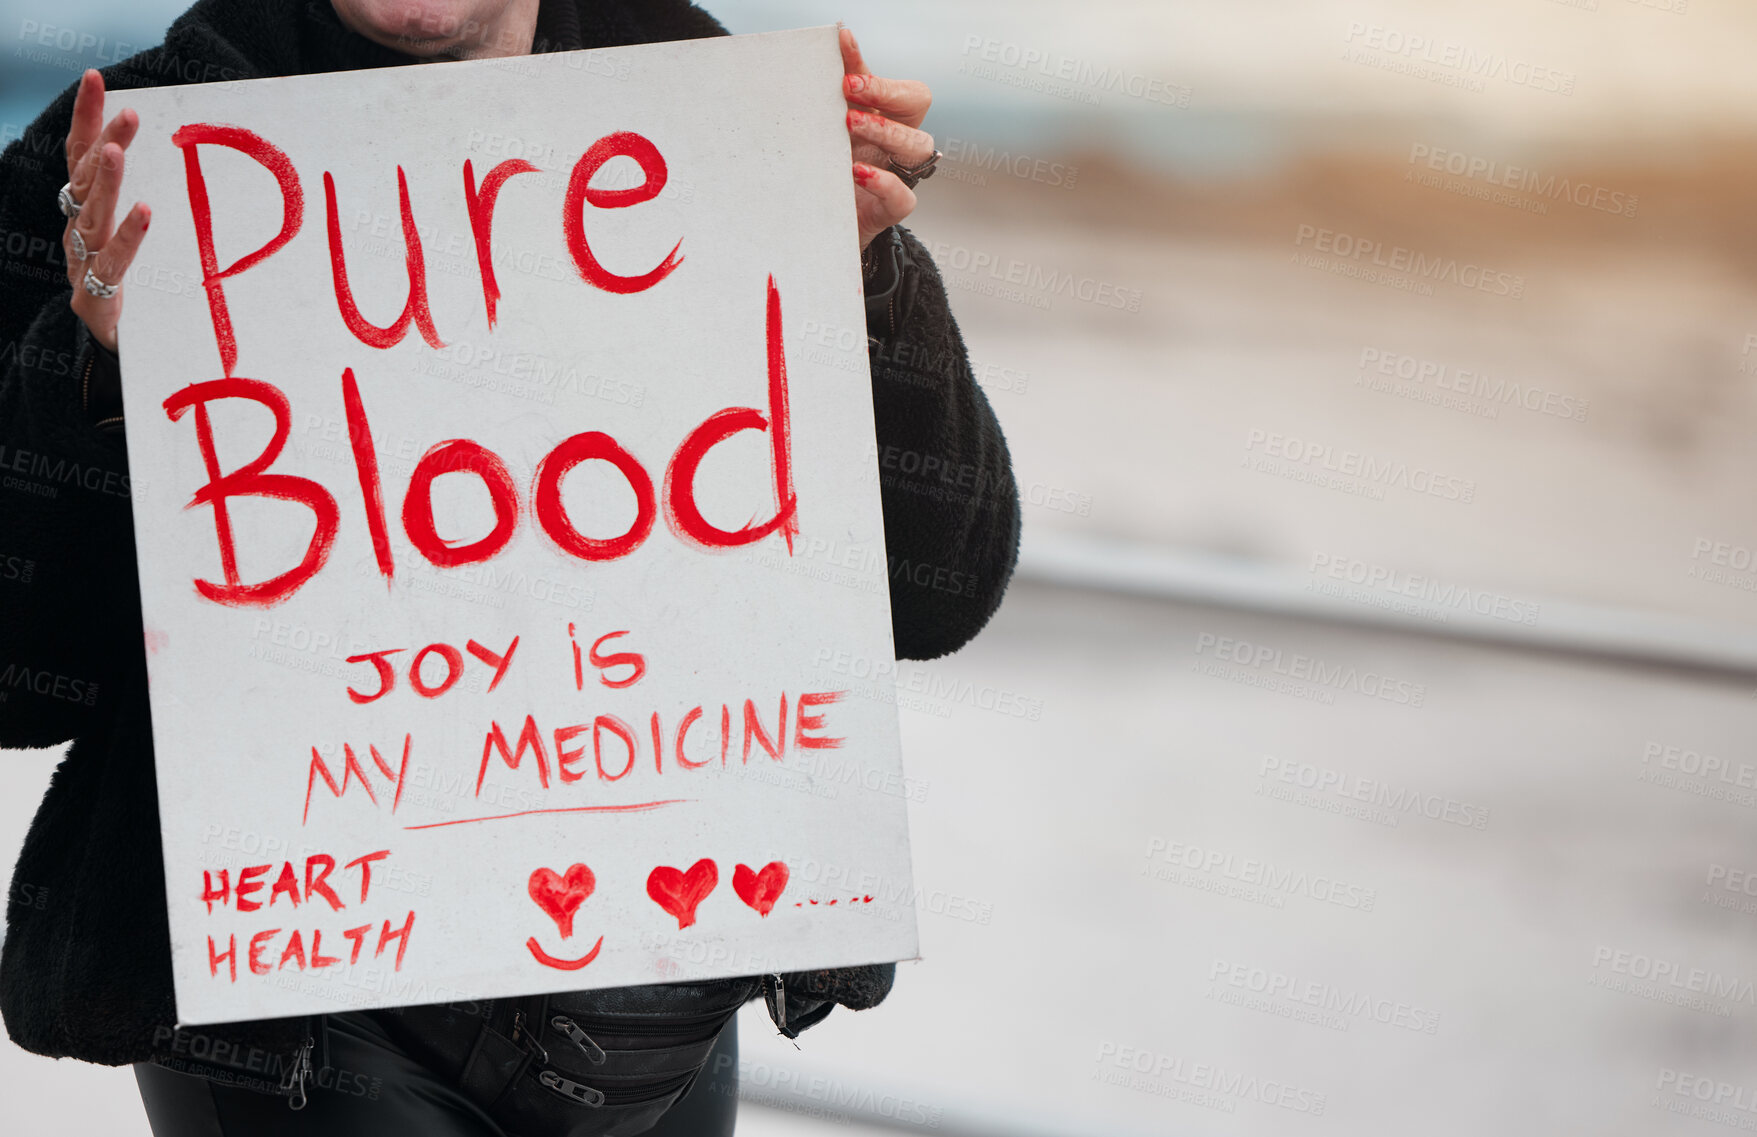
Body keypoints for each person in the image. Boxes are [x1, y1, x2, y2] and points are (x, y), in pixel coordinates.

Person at [0, 0, 1021, 1133]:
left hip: (658, 1001)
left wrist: (868, 282)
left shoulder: (716, 124)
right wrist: (90, 370)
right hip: (296, 1008)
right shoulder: (113, 162)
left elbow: (941, 591)